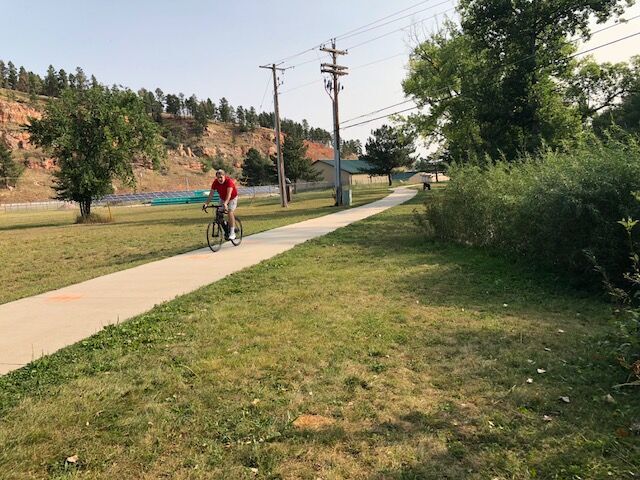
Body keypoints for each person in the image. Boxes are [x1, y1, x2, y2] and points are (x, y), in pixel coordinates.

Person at [204, 169, 238, 240]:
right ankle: (226, 229)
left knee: (230, 211)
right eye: (218, 177)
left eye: (221, 177)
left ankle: (232, 233)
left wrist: (225, 203)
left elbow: (229, 195)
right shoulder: (215, 182)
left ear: (224, 176)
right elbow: (211, 194)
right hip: (222, 198)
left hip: (232, 198)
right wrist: (206, 204)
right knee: (218, 214)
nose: (219, 179)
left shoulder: (229, 182)